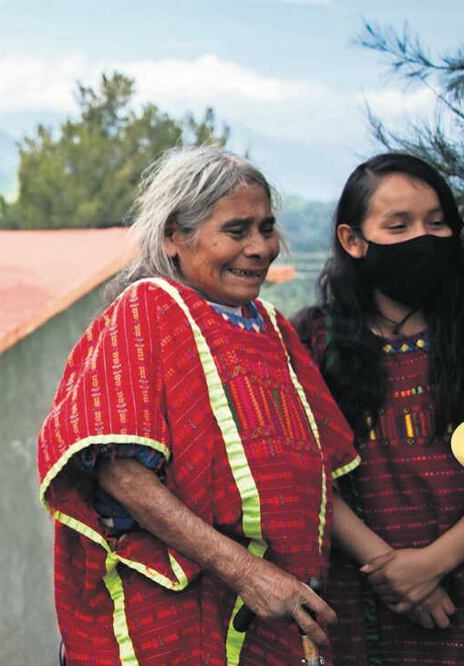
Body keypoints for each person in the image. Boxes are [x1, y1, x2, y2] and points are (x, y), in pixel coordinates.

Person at [37, 147, 360, 665]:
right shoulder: (150, 310)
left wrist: (392, 567)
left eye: (267, 227)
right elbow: (120, 474)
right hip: (172, 614)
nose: (261, 248)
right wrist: (248, 572)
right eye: (237, 231)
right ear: (174, 237)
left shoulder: (273, 330)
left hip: (265, 610)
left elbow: (322, 475)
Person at [294, 153, 464, 664]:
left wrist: (435, 562)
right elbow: (309, 473)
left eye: (437, 223)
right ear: (353, 240)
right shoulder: (312, 343)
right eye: (399, 225)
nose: (424, 238)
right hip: (363, 607)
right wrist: (391, 569)